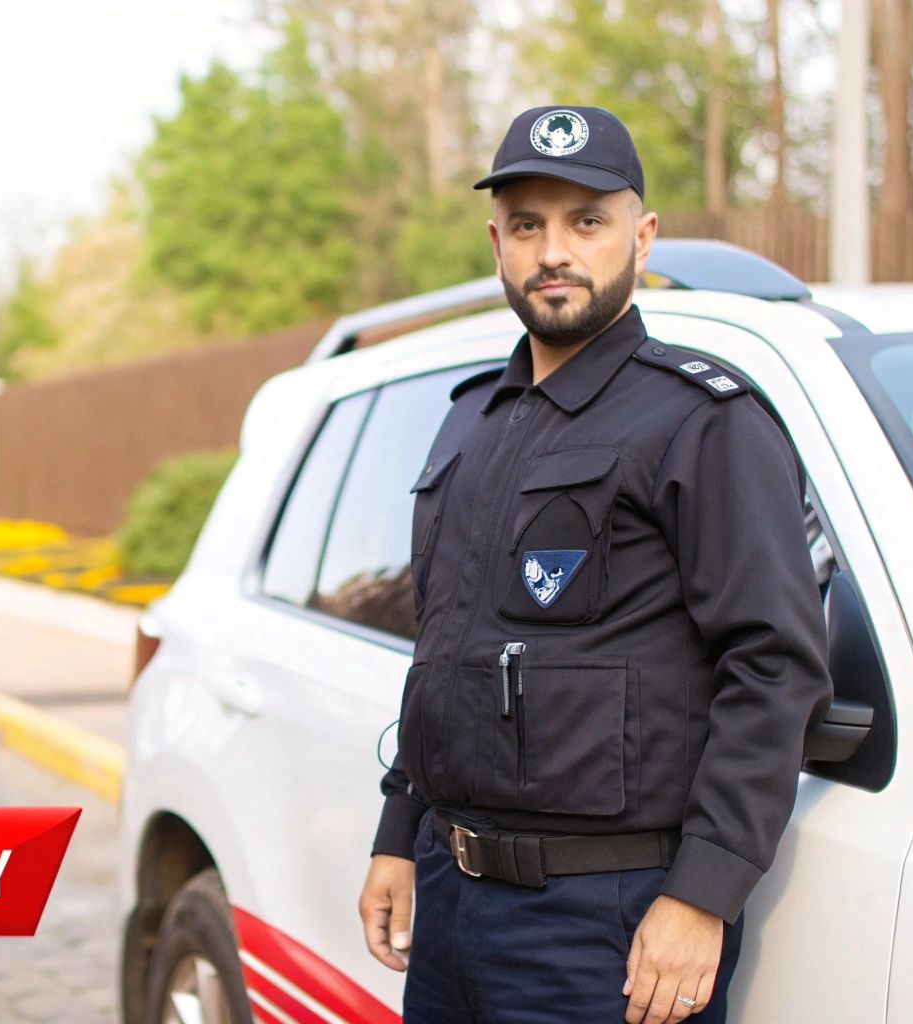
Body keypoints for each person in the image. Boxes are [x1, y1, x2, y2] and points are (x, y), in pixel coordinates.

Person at [356, 105, 832, 1024]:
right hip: (449, 902)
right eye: (529, 225)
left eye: (587, 221)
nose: (553, 252)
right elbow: (443, 651)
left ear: (641, 237)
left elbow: (774, 667)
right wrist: (394, 833)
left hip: (603, 923)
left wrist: (701, 895)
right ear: (497, 243)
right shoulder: (470, 422)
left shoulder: (702, 421)